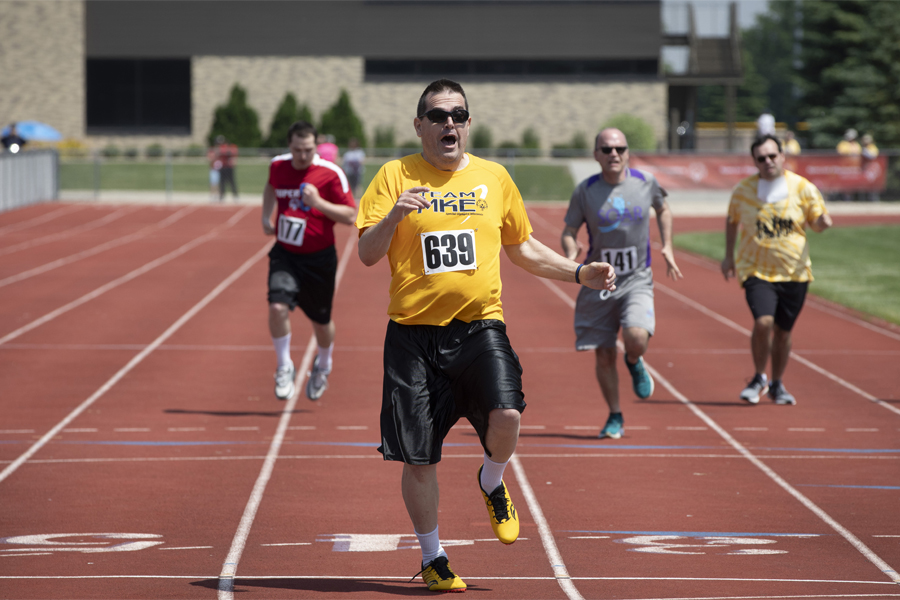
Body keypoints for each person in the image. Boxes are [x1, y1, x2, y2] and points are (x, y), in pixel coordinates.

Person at [355, 79, 616, 593]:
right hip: (413, 337)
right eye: (437, 115)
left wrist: (578, 272)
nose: (448, 123)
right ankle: (434, 558)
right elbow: (366, 253)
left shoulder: (494, 178)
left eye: (458, 114)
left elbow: (522, 247)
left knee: (509, 414)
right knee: (419, 458)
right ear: (419, 125)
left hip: (479, 327)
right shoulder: (394, 176)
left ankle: (492, 480)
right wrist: (394, 216)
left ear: (468, 123)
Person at [561, 128, 683, 440]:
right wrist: (571, 250)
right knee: (602, 353)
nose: (613, 154)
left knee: (636, 337)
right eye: (606, 149)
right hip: (600, 281)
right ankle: (615, 414)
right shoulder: (585, 190)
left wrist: (667, 245)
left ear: (627, 152)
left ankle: (634, 359)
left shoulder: (645, 183)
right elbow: (569, 229)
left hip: (636, 279)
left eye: (619, 148)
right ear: (596, 155)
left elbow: (663, 208)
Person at [721, 134, 832, 406]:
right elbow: (732, 220)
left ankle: (777, 383)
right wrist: (728, 256)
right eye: (762, 158)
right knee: (764, 322)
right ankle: (759, 376)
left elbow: (816, 223)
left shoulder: (803, 188)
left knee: (783, 332)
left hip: (794, 271)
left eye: (772, 156)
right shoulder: (743, 191)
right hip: (756, 269)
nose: (768, 161)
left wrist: (823, 223)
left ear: (782, 156)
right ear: (755, 162)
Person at [262, 121, 357, 402]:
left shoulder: (330, 174)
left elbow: (351, 216)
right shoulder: (278, 166)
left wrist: (318, 203)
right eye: (296, 150)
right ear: (288, 147)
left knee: (321, 321)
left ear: (316, 146)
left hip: (319, 258)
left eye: (307, 150)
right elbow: (270, 187)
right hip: (286, 254)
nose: (302, 156)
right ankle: (284, 366)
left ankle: (323, 365)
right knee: (277, 306)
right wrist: (265, 215)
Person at [210, 135, 239, 201]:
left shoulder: (231, 147)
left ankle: (235, 195)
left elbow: (233, 153)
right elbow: (217, 153)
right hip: (223, 167)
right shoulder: (220, 148)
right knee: (222, 182)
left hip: (229, 167)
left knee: (232, 182)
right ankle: (222, 195)